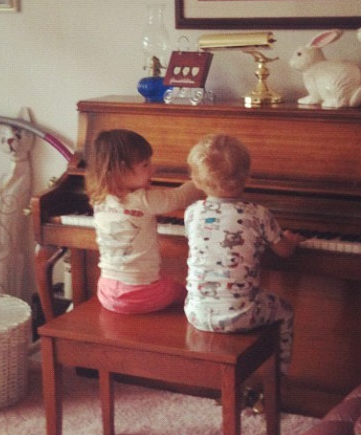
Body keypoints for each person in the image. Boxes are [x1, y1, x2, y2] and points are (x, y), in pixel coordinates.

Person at [184, 134, 303, 375]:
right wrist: (290, 241)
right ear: (247, 177)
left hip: (196, 312)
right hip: (241, 314)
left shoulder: (192, 212)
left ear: (197, 181)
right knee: (286, 311)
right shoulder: (258, 214)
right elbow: (284, 252)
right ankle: (280, 376)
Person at [85, 129, 204, 314]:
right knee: (186, 293)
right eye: (145, 165)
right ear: (121, 170)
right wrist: (203, 178)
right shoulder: (143, 199)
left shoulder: (100, 198)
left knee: (161, 281)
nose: (153, 169)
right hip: (139, 295)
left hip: (106, 291)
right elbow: (179, 197)